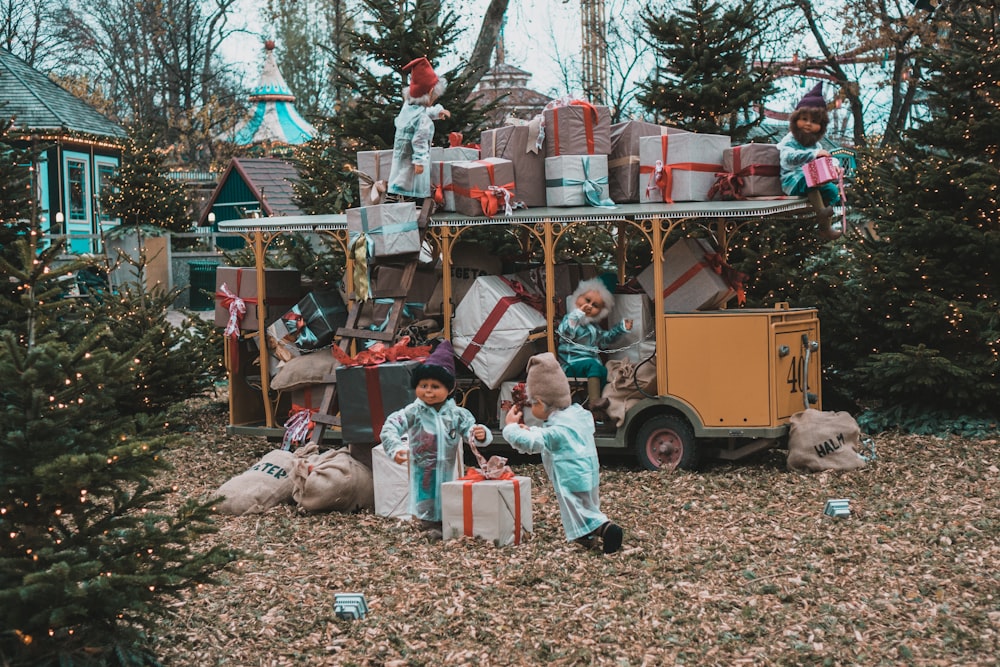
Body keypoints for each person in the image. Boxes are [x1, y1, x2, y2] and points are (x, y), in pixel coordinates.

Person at [502, 353, 624, 554]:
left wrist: (511, 428)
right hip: (587, 470)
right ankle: (586, 537)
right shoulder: (577, 415)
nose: (532, 408)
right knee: (587, 505)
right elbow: (547, 434)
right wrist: (530, 429)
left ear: (540, 403)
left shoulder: (558, 430)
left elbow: (534, 442)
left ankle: (608, 530)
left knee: (579, 510)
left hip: (570, 475)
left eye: (532, 403)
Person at [379, 340, 491, 539]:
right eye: (423, 386)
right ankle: (429, 525)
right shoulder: (414, 412)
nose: (428, 391)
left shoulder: (457, 414)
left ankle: (446, 523)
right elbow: (390, 426)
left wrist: (479, 433)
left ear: (449, 389)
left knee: (449, 496)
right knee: (426, 499)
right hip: (423, 470)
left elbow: (469, 430)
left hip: (448, 470)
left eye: (435, 386)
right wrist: (395, 448)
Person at [556, 278, 633, 418]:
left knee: (603, 370)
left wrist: (621, 328)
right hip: (571, 364)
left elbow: (604, 341)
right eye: (587, 300)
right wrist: (579, 313)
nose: (589, 306)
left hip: (590, 366)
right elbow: (565, 332)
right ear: (577, 297)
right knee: (593, 365)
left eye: (595, 305)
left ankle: (600, 405)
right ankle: (595, 406)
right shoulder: (570, 319)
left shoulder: (593, 328)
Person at [777, 82, 842, 240]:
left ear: (821, 126)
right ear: (795, 120)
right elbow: (787, 158)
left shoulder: (816, 144)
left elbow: (825, 159)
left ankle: (825, 226)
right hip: (792, 180)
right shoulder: (789, 140)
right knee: (810, 181)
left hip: (812, 181)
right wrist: (814, 155)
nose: (807, 124)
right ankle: (821, 214)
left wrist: (834, 166)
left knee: (832, 190)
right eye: (804, 119)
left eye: (813, 122)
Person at [386, 57, 451, 202]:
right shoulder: (423, 121)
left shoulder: (408, 108)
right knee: (413, 184)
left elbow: (421, 111)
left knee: (399, 176)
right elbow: (420, 140)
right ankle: (415, 207)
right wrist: (420, 161)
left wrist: (437, 112)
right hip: (413, 156)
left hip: (401, 152)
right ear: (431, 92)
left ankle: (392, 196)